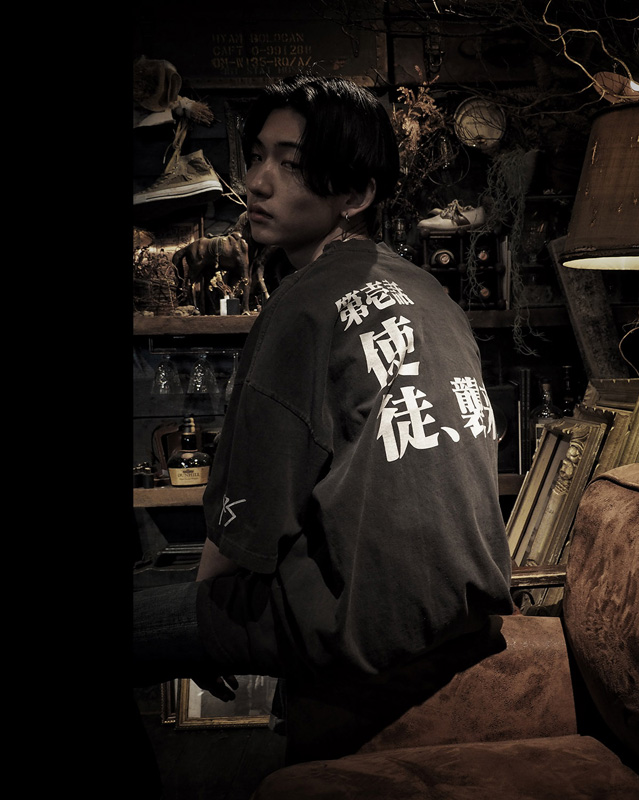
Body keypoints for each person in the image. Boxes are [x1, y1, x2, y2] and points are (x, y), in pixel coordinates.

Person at [133, 74, 514, 764]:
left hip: (362, 619)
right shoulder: (431, 294)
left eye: (292, 164)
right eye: (257, 156)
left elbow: (248, 519)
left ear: (356, 195)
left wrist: (209, 625)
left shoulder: (302, 305)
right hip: (462, 609)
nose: (257, 182)